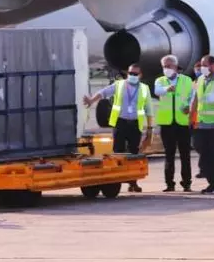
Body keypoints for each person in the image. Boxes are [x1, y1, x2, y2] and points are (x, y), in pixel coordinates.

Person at [83, 63, 152, 193]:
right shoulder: (119, 85)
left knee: (134, 154)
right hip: (120, 123)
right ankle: (116, 181)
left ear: (140, 75)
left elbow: (149, 109)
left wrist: (149, 129)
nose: (132, 76)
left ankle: (133, 182)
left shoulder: (144, 89)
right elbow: (103, 93)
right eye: (130, 73)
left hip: (135, 124)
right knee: (118, 152)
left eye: (135, 74)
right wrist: (92, 100)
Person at [189, 55, 214, 193]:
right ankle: (209, 178)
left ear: (213, 65)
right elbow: (195, 99)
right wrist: (191, 116)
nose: (202, 68)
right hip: (201, 124)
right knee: (200, 148)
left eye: (205, 65)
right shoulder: (200, 80)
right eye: (202, 65)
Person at [154, 54, 194, 192]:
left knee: (185, 155)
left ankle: (186, 183)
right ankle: (169, 184)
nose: (166, 69)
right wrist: (166, 89)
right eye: (164, 66)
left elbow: (192, 96)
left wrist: (189, 106)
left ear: (176, 66)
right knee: (169, 154)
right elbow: (157, 91)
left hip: (182, 122)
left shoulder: (187, 80)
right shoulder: (160, 80)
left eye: (169, 66)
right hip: (167, 123)